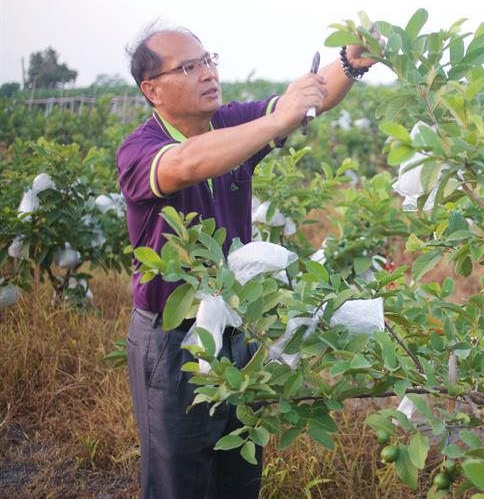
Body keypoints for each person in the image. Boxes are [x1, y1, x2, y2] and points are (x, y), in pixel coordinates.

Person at [117, 25, 377, 498]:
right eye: (188, 67)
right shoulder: (140, 149)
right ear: (152, 90)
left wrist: (348, 63)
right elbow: (188, 163)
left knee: (238, 468)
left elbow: (308, 102)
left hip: (236, 328)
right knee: (179, 477)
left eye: (208, 60)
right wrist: (277, 121)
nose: (207, 72)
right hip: (174, 339)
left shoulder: (230, 124)